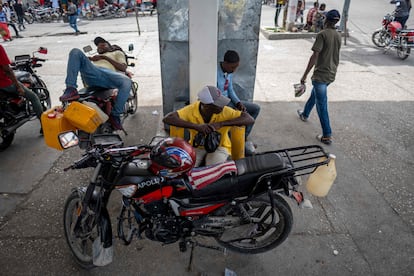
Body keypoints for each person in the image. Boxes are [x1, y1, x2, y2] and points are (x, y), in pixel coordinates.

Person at [163, 85, 254, 167]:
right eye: (218, 105)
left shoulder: (225, 111)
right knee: (185, 167)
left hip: (220, 147)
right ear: (206, 106)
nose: (222, 106)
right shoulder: (191, 110)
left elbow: (249, 119)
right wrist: (196, 126)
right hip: (197, 147)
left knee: (212, 169)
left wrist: (221, 124)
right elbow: (168, 118)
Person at [59, 37, 131, 130]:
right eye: (97, 46)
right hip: (93, 73)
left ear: (110, 46)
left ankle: (115, 114)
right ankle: (71, 89)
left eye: (103, 44)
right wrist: (88, 61)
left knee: (127, 81)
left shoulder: (116, 53)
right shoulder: (95, 58)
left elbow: (123, 68)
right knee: (75, 52)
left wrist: (104, 57)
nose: (99, 46)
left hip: (107, 75)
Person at [297, 9, 341, 145]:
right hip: (331, 74)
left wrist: (304, 76)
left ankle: (327, 135)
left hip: (321, 75)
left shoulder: (322, 34)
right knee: (315, 94)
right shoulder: (338, 35)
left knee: (322, 105)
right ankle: (305, 114)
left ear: (326, 20)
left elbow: (314, 56)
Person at [217, 50, 260, 139]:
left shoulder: (229, 72)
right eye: (232, 67)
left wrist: (238, 103)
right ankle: (231, 138)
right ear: (225, 63)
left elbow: (230, 89)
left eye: (236, 67)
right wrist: (232, 107)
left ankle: (243, 138)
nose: (234, 70)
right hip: (220, 104)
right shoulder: (214, 73)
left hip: (229, 101)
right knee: (241, 116)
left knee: (255, 108)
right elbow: (215, 96)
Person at [0, 45, 43, 133]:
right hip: (4, 83)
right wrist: (18, 87)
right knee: (33, 97)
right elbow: (7, 69)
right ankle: (44, 125)